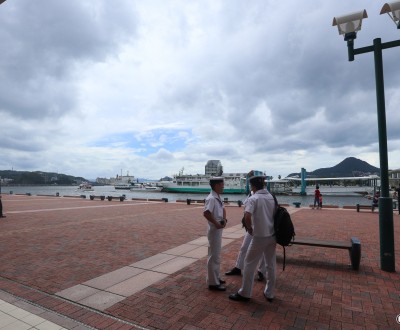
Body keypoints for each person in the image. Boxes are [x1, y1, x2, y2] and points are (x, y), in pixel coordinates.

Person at [229, 175, 276, 303]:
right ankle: (270, 293)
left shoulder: (253, 198)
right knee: (270, 264)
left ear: (253, 186)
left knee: (249, 263)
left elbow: (247, 216)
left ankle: (245, 293)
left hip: (259, 236)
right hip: (272, 235)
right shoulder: (271, 196)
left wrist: (250, 229)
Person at [225, 190, 267, 281]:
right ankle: (238, 267)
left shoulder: (267, 196)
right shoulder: (251, 194)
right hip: (251, 227)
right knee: (244, 247)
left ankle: (261, 271)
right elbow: (246, 209)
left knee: (263, 251)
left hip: (262, 227)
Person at [203, 177, 227, 291]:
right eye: (222, 184)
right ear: (216, 185)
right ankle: (213, 283)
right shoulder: (211, 198)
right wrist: (217, 223)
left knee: (216, 255)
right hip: (214, 230)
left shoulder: (217, 197)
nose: (223, 186)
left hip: (218, 228)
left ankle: (216, 277)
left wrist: (224, 220)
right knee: (213, 256)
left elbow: (223, 209)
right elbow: (206, 213)